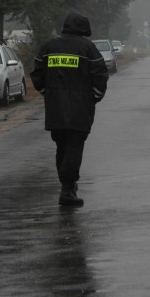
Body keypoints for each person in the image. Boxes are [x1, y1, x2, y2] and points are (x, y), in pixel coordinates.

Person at [30, 12, 109, 207]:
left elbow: (36, 74)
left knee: (62, 147)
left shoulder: (49, 47)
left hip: (55, 109)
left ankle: (67, 186)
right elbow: (100, 76)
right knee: (74, 147)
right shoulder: (88, 48)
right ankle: (67, 189)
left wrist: (46, 92)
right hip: (80, 110)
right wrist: (94, 98)